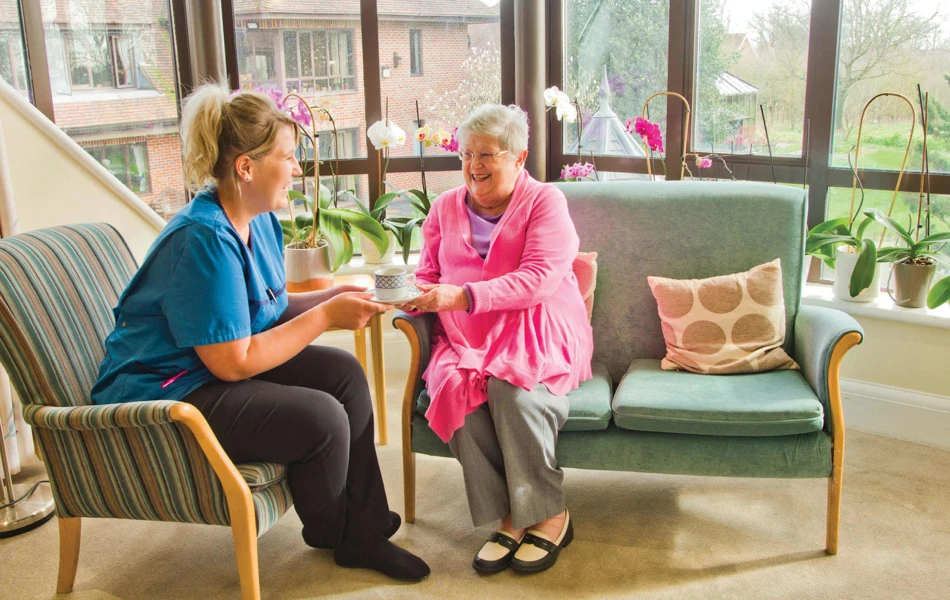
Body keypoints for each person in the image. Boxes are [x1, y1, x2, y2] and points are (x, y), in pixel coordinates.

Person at [90, 84, 429, 582]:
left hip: (209, 369)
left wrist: (334, 299)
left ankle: (365, 525)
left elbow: (267, 311)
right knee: (322, 418)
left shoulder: (260, 219)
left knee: (344, 373)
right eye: (288, 158)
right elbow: (234, 361)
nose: (297, 170)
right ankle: (337, 529)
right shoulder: (203, 238)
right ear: (246, 167)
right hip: (166, 392)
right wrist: (324, 318)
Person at [403, 103, 594, 574]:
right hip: (464, 337)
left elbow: (538, 280)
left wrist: (462, 295)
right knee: (453, 391)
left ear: (519, 157)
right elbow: (426, 272)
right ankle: (512, 514)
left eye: (487, 154)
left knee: (510, 387)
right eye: (466, 154)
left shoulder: (545, 202)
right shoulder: (446, 206)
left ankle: (549, 515)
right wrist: (415, 296)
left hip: (538, 326)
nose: (473, 166)